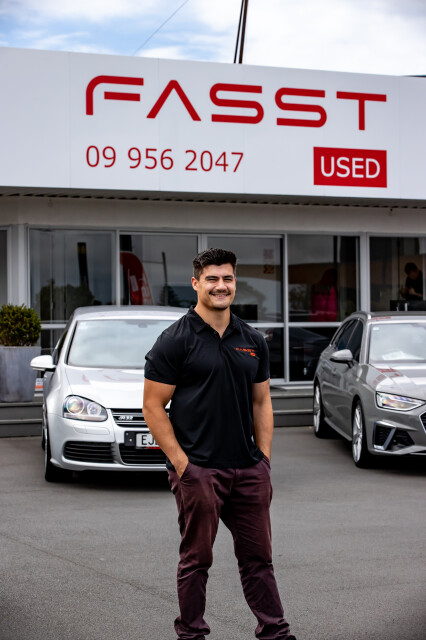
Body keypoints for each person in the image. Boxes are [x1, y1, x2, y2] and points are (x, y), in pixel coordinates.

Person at [143, 248, 296, 640]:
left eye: (227, 278)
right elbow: (153, 407)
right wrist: (183, 465)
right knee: (197, 560)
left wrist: (263, 461)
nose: (220, 286)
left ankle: (275, 632)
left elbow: (262, 402)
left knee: (259, 559)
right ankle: (191, 633)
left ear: (234, 282)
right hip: (199, 471)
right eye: (212, 279)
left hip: (248, 469)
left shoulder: (252, 340)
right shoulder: (175, 341)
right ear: (196, 283)